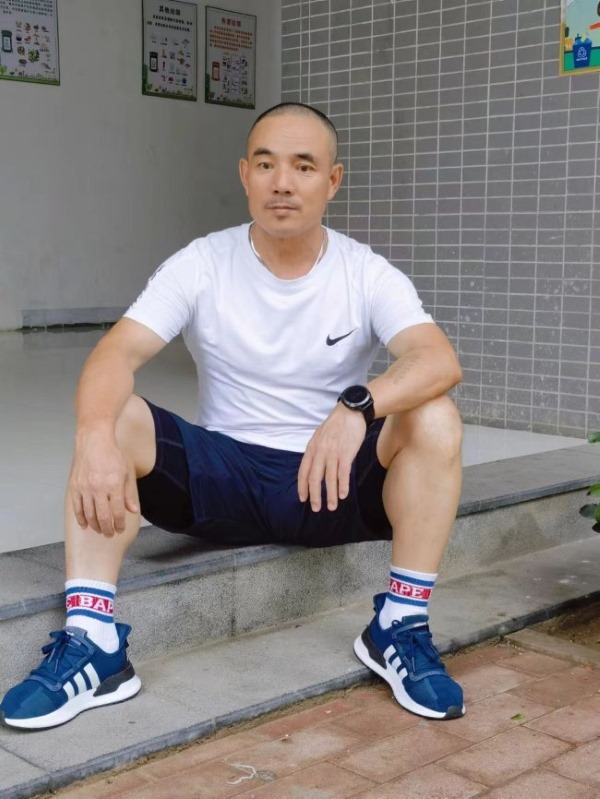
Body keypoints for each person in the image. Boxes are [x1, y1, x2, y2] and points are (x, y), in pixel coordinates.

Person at [0, 102, 465, 730]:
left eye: (304, 166)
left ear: (332, 181)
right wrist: (91, 438)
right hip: (222, 481)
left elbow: (437, 358)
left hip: (329, 483)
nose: (282, 182)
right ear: (245, 175)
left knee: (435, 415)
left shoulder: (365, 271)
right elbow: (116, 352)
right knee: (114, 417)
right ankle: (94, 640)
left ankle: (399, 626)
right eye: (267, 165)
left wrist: (357, 406)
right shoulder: (202, 262)